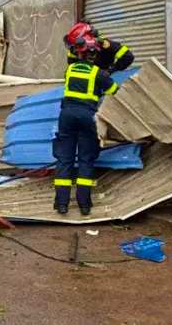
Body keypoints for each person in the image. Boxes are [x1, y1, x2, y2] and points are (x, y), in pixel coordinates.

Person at [54, 32, 119, 216]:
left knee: (64, 159)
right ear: (94, 55)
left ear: (79, 53)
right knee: (85, 159)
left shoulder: (70, 70)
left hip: (66, 116)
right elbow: (114, 91)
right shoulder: (97, 73)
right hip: (87, 117)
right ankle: (84, 205)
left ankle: (62, 204)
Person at [64, 20, 134, 74]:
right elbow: (71, 61)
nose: (74, 50)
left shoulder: (104, 44)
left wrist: (110, 71)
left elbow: (128, 56)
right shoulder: (74, 48)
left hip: (103, 82)